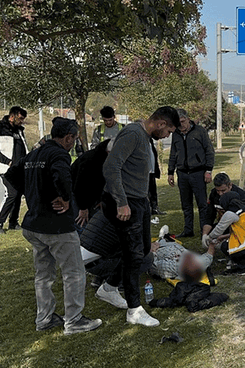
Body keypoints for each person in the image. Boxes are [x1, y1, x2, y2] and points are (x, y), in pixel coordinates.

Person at [4, 117, 102, 335]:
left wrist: (31, 192)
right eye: (74, 139)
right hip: (57, 227)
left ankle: (44, 318)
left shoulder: (35, 153)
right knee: (74, 273)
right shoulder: (59, 154)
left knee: (44, 275)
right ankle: (74, 321)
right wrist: (65, 198)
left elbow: (11, 174)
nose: (74, 142)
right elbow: (61, 176)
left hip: (34, 224)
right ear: (68, 138)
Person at [102, 106, 179, 327]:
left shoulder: (144, 137)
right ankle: (134, 309)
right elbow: (111, 167)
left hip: (139, 201)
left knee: (144, 252)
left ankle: (108, 288)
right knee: (134, 255)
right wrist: (122, 202)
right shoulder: (133, 134)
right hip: (126, 203)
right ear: (161, 123)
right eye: (169, 131)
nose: (167, 136)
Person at [167, 109, 215, 237]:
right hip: (182, 173)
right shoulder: (176, 134)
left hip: (198, 172)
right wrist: (170, 172)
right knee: (186, 204)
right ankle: (188, 230)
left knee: (202, 204)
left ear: (188, 119)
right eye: (178, 123)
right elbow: (173, 153)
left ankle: (203, 231)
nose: (181, 125)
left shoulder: (200, 131)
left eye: (183, 122)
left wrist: (208, 170)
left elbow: (209, 151)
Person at [0, 107, 28, 235]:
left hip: (19, 169)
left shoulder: (20, 131)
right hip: (6, 169)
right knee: (11, 193)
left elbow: (23, 148)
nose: (22, 121)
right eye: (20, 118)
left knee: (18, 194)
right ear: (12, 117)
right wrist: (8, 162)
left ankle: (13, 222)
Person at [70, 139, 111, 227]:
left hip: (92, 197)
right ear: (108, 152)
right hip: (78, 196)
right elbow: (79, 185)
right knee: (81, 223)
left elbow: (104, 181)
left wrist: (100, 199)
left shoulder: (106, 160)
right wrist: (83, 208)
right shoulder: (90, 160)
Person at [202, 173, 245, 237]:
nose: (220, 193)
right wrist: (204, 235)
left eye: (223, 190)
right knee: (207, 233)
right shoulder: (214, 194)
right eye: (218, 191)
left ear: (230, 185)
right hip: (223, 225)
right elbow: (210, 216)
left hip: (238, 225)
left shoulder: (241, 195)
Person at [150, 239, 215, 282]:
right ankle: (160, 239)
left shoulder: (168, 266)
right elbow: (208, 256)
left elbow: (153, 264)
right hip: (171, 252)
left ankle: (160, 239)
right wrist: (211, 246)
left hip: (162, 251)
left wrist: (153, 250)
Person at [148, 138, 165, 215]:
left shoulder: (149, 140)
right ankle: (148, 209)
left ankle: (155, 208)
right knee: (146, 192)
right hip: (144, 172)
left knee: (153, 191)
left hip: (151, 170)